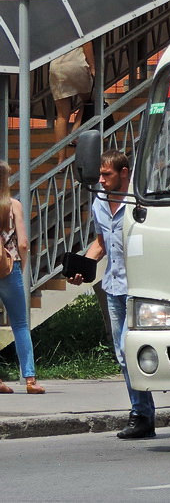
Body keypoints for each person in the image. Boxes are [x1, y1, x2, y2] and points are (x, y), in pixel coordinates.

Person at [70, 150, 156, 439]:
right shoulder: (99, 201)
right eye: (101, 174)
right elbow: (101, 242)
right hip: (113, 286)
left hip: (139, 288)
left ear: (124, 172)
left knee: (129, 351)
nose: (102, 180)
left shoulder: (140, 201)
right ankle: (142, 413)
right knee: (122, 354)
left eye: (107, 175)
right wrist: (83, 265)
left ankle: (141, 414)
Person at [0, 161, 44, 395]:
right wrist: (21, 265)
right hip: (9, 267)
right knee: (19, 323)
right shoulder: (13, 205)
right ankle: (29, 379)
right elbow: (24, 243)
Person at [49, 42, 96, 163]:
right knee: (91, 100)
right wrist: (92, 66)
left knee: (62, 115)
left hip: (56, 66)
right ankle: (76, 131)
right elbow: (86, 43)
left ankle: (61, 159)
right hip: (77, 63)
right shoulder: (79, 23)